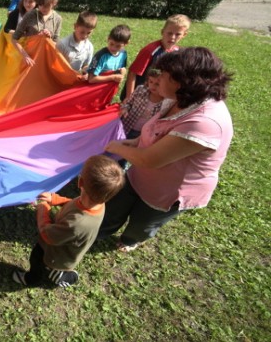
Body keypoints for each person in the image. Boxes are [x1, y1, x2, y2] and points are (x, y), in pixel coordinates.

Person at [98, 47, 233, 252]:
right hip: (140, 175)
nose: (157, 78)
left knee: (144, 221)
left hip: (167, 191)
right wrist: (135, 143)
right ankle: (101, 230)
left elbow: (149, 160)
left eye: (164, 75)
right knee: (116, 205)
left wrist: (115, 146)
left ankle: (130, 239)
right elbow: (156, 130)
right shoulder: (176, 97)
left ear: (182, 82)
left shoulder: (205, 122)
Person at [12, 155, 124, 288]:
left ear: (80, 182)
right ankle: (61, 273)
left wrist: (43, 208)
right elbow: (73, 203)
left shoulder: (77, 223)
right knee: (57, 268)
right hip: (66, 246)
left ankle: (32, 279)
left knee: (38, 261)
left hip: (54, 254)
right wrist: (55, 199)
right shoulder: (97, 201)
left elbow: (47, 234)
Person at [122, 14, 191, 100]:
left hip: (158, 97)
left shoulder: (178, 52)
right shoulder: (150, 50)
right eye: (169, 33)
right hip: (140, 96)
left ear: (184, 34)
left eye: (178, 34)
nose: (172, 37)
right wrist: (129, 97)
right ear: (162, 32)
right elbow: (133, 73)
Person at [12, 0, 62, 68]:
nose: (42, 8)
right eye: (40, 4)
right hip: (29, 59)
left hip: (45, 62)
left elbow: (56, 44)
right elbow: (14, 38)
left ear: (54, 3)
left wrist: (48, 39)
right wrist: (25, 56)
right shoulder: (30, 15)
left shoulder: (57, 19)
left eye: (46, 6)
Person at [120, 68, 164, 139]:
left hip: (143, 135)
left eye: (157, 84)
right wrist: (125, 109)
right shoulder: (140, 90)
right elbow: (128, 103)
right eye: (151, 82)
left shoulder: (166, 102)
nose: (153, 86)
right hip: (127, 126)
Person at [57, 11, 98, 75]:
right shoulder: (62, 44)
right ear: (75, 26)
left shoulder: (89, 47)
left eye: (89, 33)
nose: (85, 36)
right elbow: (55, 65)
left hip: (77, 79)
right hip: (61, 77)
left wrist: (86, 71)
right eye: (82, 32)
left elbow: (86, 65)